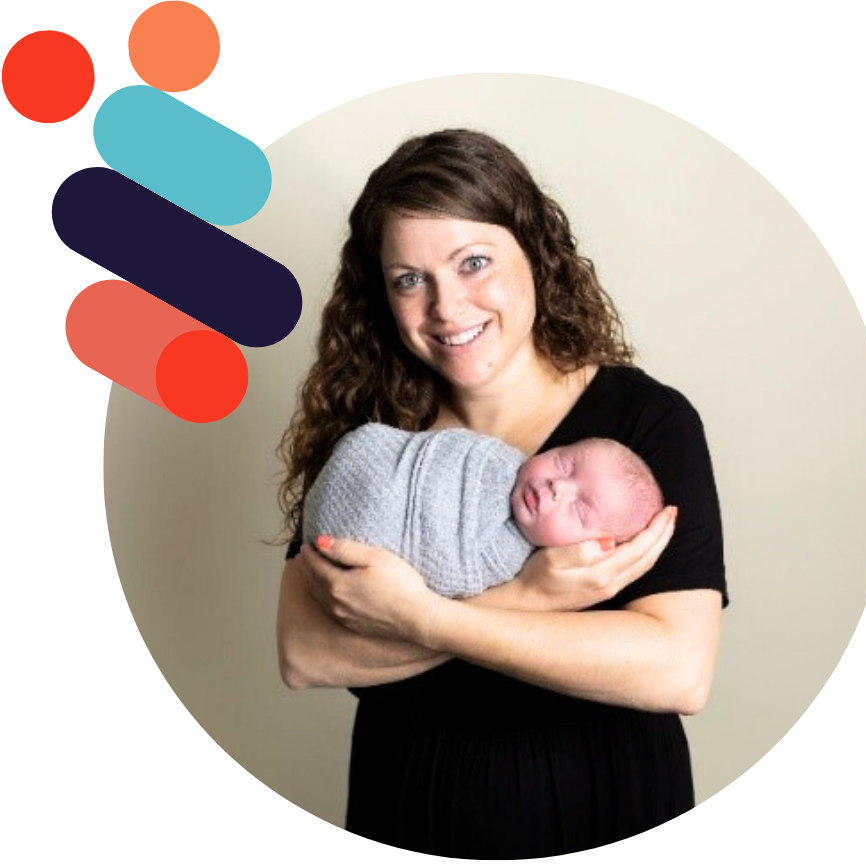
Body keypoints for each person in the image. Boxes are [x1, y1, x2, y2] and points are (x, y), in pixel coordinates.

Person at [275, 129, 728, 856]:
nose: (447, 307)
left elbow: (677, 668)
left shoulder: (646, 423)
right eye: (409, 279)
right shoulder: (374, 446)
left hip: (608, 799)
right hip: (415, 804)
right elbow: (305, 653)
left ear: (535, 252)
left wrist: (418, 617)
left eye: (474, 262)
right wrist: (531, 597)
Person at [302, 422, 665, 598]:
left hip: (356, 540)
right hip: (368, 460)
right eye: (564, 463)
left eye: (580, 510)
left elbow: (448, 584)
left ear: (587, 547)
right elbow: (442, 450)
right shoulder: (497, 458)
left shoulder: (508, 559)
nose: (558, 486)